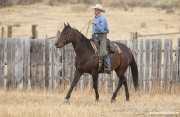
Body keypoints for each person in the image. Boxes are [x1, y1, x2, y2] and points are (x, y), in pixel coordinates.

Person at [89, 4, 111, 74]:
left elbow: (101, 29)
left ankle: (108, 66)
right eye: (94, 9)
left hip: (102, 36)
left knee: (103, 51)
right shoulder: (94, 18)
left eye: (96, 10)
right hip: (95, 36)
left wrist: (95, 23)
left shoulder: (102, 19)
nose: (94, 11)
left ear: (99, 11)